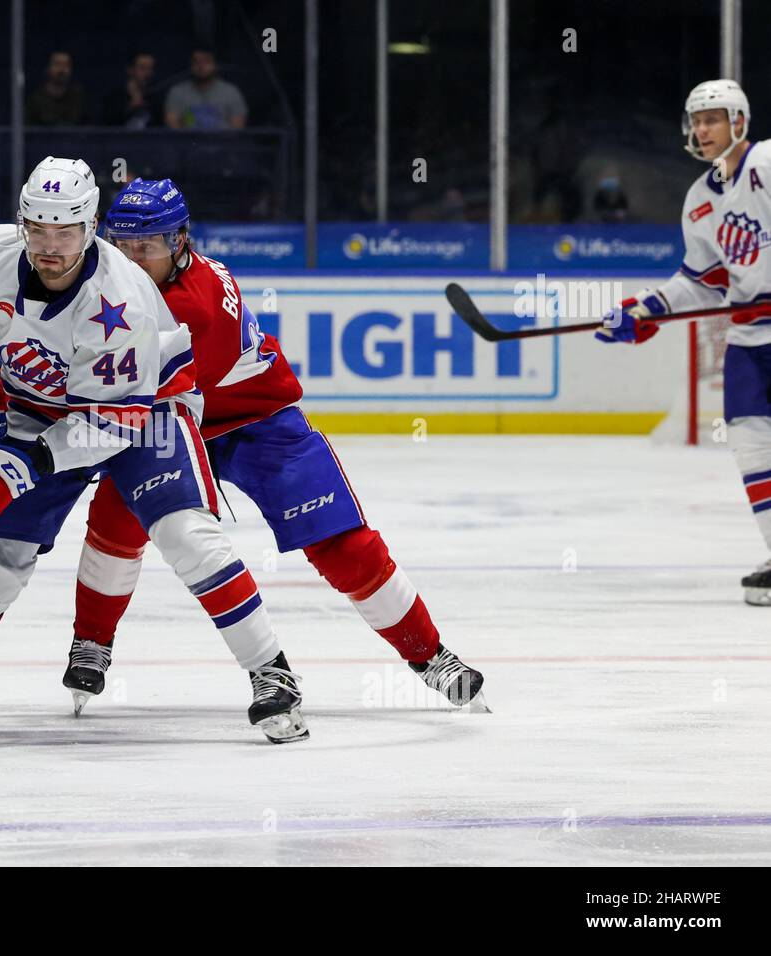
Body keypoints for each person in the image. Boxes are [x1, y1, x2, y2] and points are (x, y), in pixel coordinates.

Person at [0, 157, 309, 743]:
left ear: (90, 230)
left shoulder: (122, 300)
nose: (49, 247)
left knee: (187, 534)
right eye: (37, 229)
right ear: (21, 223)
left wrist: (14, 468)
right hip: (41, 409)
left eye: (65, 232)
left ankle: (272, 673)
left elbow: (110, 425)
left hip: (146, 411)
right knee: (0, 551)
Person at [59, 179, 484, 712]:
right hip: (171, 415)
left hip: (254, 420)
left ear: (180, 242)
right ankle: (91, 644)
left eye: (145, 248)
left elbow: (131, 389)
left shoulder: (199, 305)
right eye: (120, 246)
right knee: (115, 522)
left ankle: (431, 656)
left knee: (341, 544)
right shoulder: (106, 278)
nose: (131, 259)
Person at [597, 79, 771, 607]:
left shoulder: (766, 164)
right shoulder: (699, 201)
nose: (702, 129)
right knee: (749, 444)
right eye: (696, 121)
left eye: (713, 118)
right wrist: (647, 308)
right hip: (748, 339)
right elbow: (702, 280)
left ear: (738, 121)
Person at [164, 49, 246, 131]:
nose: (201, 66)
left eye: (206, 61)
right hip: (188, 142)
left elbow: (238, 126)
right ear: (191, 65)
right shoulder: (177, 91)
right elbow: (172, 123)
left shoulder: (231, 91)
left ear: (215, 65)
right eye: (196, 62)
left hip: (222, 142)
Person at [26, 51, 88, 126]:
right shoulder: (35, 99)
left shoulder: (79, 96)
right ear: (48, 68)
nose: (62, 70)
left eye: (66, 65)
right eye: (57, 64)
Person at [101, 52, 159, 129]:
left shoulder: (155, 98)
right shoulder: (115, 95)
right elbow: (105, 124)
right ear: (130, 70)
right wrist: (130, 108)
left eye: (150, 69)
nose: (147, 73)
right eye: (142, 68)